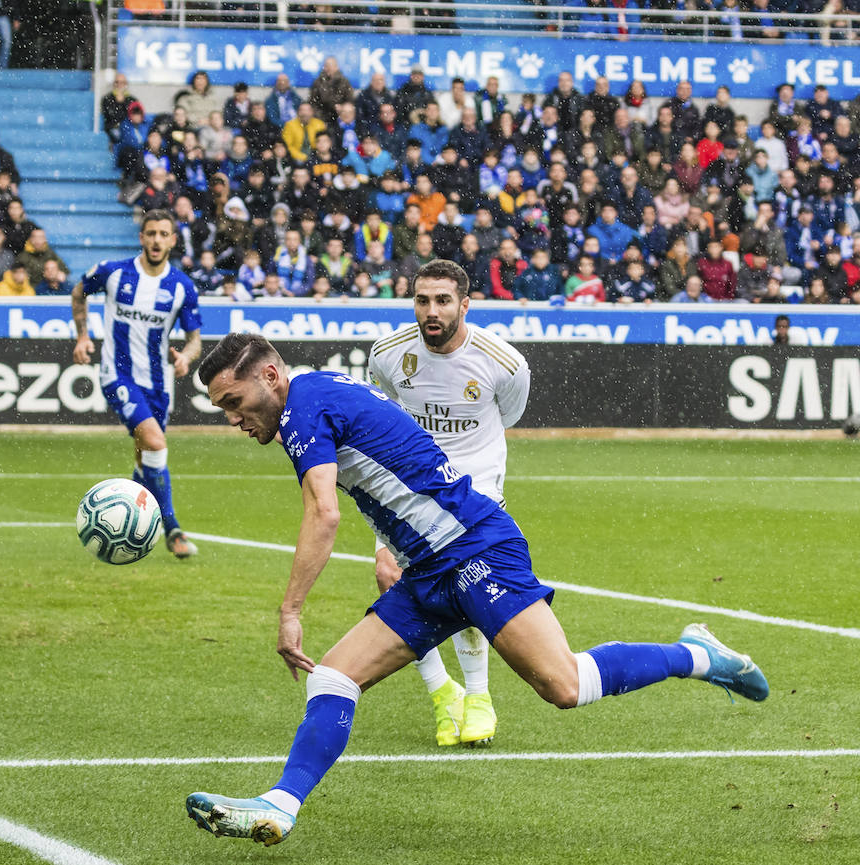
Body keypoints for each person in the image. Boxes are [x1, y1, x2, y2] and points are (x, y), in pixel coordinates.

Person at [187, 318, 768, 846]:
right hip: (429, 569)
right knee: (336, 676)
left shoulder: (301, 408)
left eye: (235, 402)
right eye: (223, 410)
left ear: (270, 375)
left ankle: (697, 655)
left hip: (475, 547)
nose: (235, 419)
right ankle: (279, 805)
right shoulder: (314, 392)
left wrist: (291, 610)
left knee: (564, 686)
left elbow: (324, 513)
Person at [364, 259, 529, 747]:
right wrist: (379, 539)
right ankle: (443, 693)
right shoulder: (388, 356)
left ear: (465, 303)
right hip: (411, 480)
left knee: (465, 581)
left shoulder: (504, 362)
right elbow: (385, 419)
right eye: (421, 300)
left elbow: (509, 414)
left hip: (476, 483)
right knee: (394, 580)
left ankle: (478, 697)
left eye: (442, 300)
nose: (431, 310)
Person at [71, 210, 203, 559]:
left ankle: (130, 514)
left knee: (146, 453)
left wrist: (186, 357)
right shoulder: (114, 272)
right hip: (118, 374)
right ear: (141, 238)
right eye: (151, 233)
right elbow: (78, 292)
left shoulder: (182, 287)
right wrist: (83, 337)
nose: (157, 240)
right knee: (156, 443)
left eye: (164, 234)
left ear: (173, 240)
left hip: (158, 384)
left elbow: (194, 340)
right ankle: (171, 526)